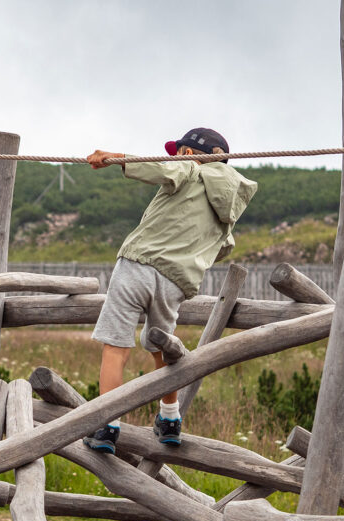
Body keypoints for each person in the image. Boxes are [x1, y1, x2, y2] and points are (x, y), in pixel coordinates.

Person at [82, 127, 257, 453]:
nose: (173, 156)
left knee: (116, 345)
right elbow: (224, 247)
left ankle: (107, 425)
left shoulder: (188, 168)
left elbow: (160, 168)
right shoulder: (230, 204)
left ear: (190, 154)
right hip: (175, 283)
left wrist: (115, 158)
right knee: (160, 345)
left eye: (177, 151)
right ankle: (170, 418)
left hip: (138, 265)